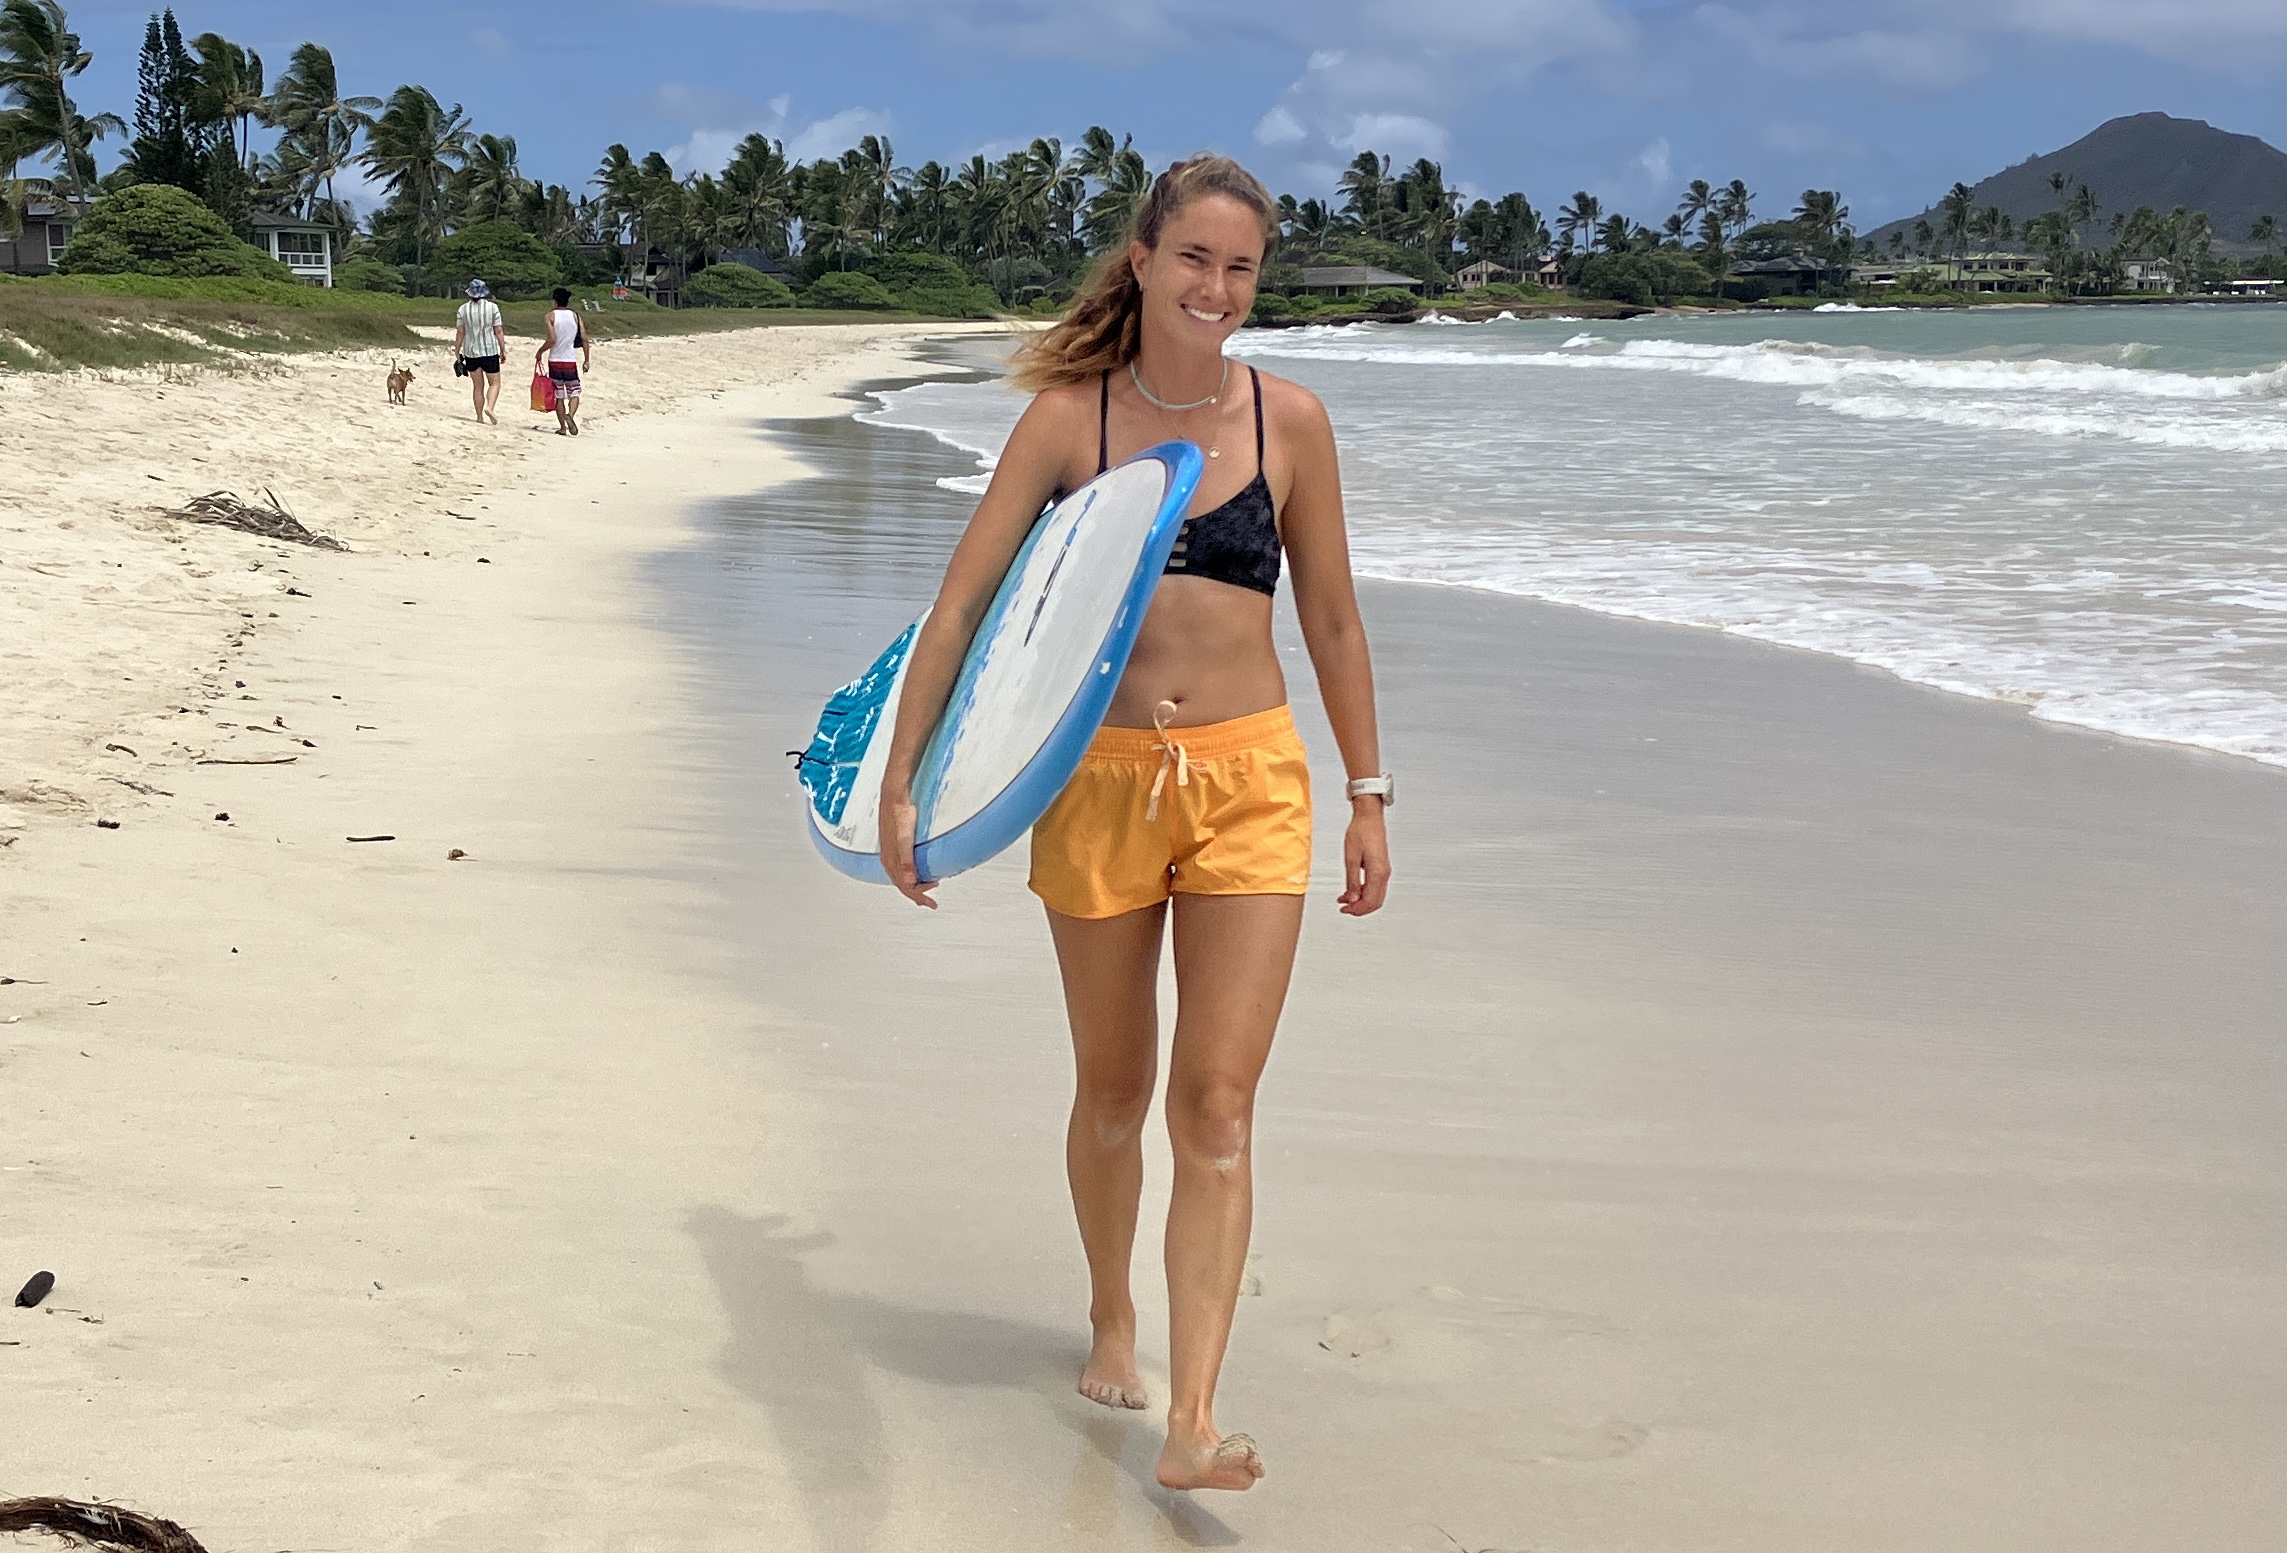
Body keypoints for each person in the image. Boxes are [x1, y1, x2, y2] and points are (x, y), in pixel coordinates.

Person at [876, 155, 1393, 1493]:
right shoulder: (1069, 420)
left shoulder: (1293, 423)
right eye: (1195, 261)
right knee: (1114, 1089)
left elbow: (1330, 617)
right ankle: (1111, 1311)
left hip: (1249, 781)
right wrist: (903, 779)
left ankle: (1195, 1413)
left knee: (1214, 1103)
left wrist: (1365, 790)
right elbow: (961, 602)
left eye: (1240, 268)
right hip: (1096, 784)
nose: (1216, 288)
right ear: (1144, 261)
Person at [535, 286, 590, 435]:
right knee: (575, 392)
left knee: (559, 395)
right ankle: (570, 416)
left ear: (554, 301)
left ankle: (562, 428)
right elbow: (584, 338)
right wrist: (586, 360)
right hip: (570, 360)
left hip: (555, 361)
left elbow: (552, 340)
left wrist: (540, 351)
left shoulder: (550, 316)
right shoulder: (576, 316)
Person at [452, 278, 507, 424]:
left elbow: (460, 332)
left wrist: (457, 351)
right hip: (489, 350)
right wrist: (503, 350)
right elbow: (498, 330)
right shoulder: (493, 308)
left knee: (478, 386)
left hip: (471, 352)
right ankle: (489, 407)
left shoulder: (462, 309)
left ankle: (479, 417)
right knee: (494, 383)